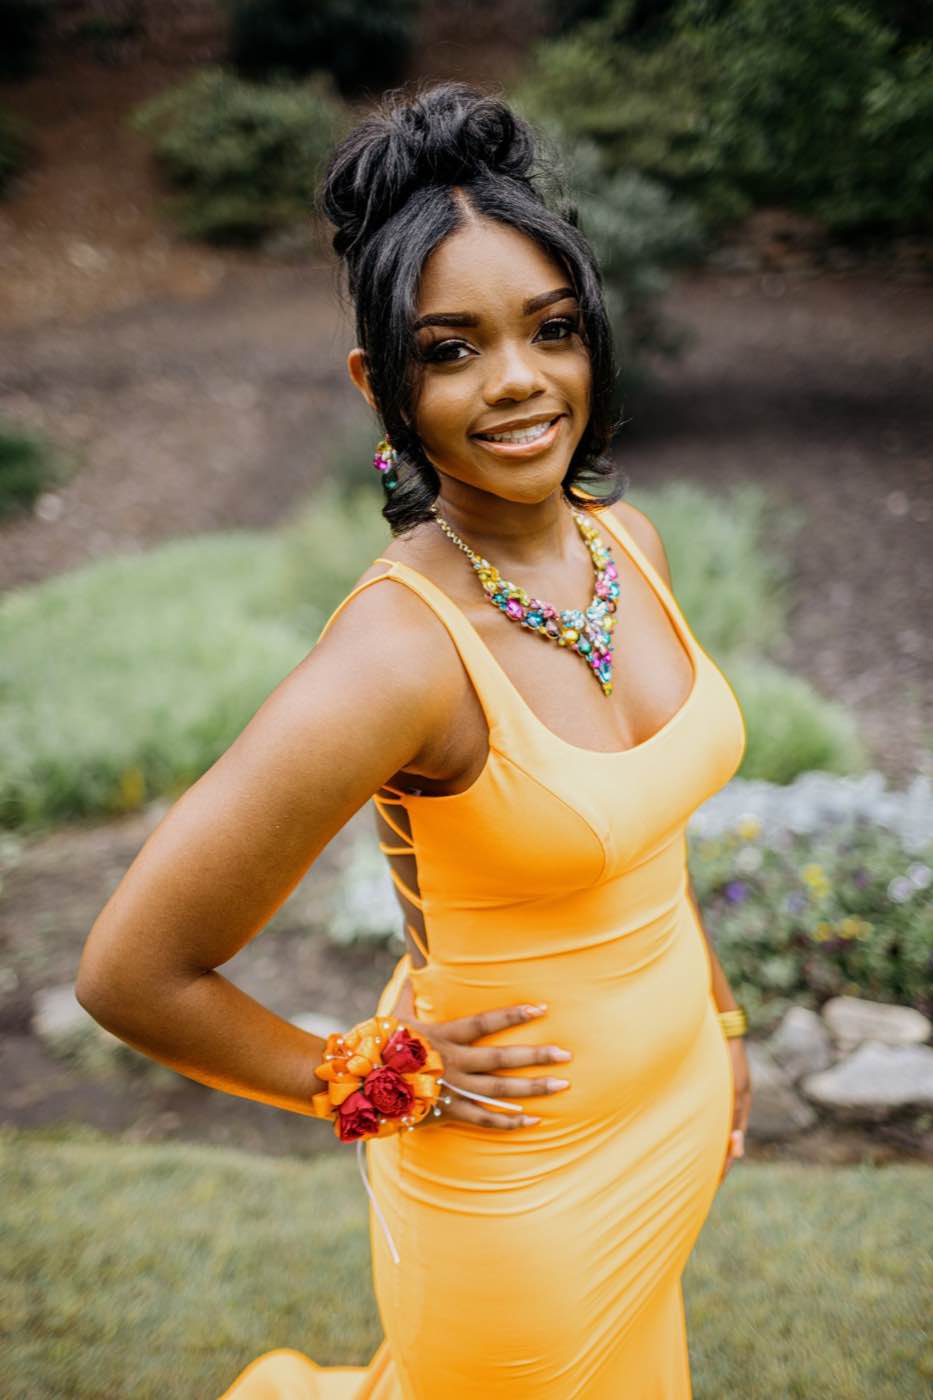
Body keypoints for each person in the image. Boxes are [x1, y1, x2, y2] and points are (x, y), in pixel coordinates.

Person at [77, 81, 752, 1399]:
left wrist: (717, 1023)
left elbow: (644, 848)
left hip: (669, 1113)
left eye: (549, 331)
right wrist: (365, 1080)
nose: (515, 382)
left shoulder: (629, 545)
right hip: (519, 1200)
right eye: (449, 350)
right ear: (379, 382)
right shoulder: (393, 658)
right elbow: (132, 972)